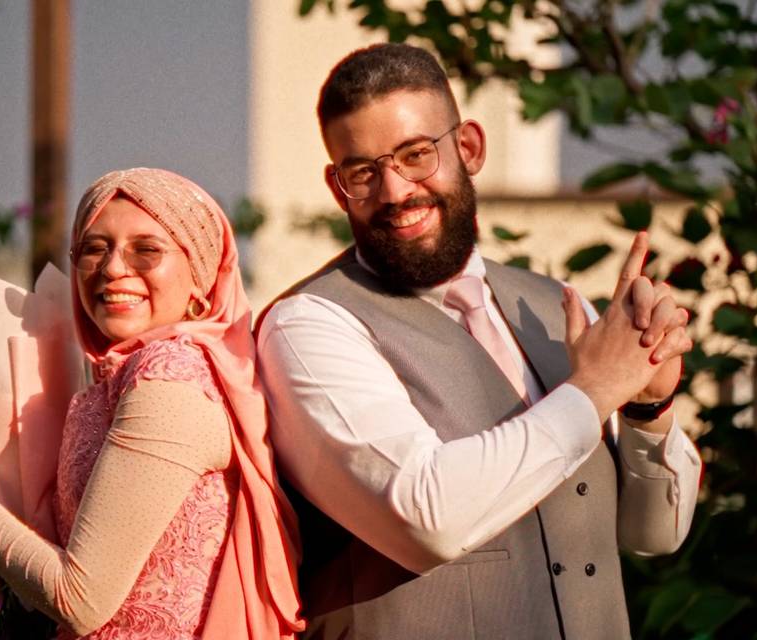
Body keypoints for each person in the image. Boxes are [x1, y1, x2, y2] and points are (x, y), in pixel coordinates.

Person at [255, 43, 702, 640]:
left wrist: (647, 406)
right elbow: (424, 515)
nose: (394, 191)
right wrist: (595, 389)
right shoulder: (309, 325)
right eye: (363, 172)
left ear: (468, 148)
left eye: (416, 155)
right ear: (339, 189)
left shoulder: (555, 305)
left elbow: (653, 536)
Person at [0, 168, 304, 639]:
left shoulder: (168, 376)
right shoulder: (112, 378)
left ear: (199, 274)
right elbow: (43, 586)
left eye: (146, 250)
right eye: (94, 248)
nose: (113, 268)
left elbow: (78, 600)